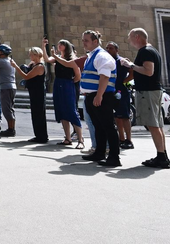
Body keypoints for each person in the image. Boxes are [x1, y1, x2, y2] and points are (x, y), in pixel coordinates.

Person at [120, 27, 169, 168]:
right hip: (153, 91)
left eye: (130, 38)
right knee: (156, 124)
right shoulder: (151, 50)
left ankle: (161, 157)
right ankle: (162, 155)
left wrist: (131, 65)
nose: (129, 41)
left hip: (148, 92)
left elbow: (148, 71)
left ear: (137, 37)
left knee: (153, 124)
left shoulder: (145, 51)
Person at [78, 30, 120, 168]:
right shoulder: (92, 56)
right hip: (93, 96)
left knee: (108, 126)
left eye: (86, 40)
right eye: (83, 40)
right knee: (98, 127)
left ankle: (114, 157)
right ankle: (100, 152)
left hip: (101, 97)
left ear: (95, 41)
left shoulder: (102, 56)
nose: (83, 43)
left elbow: (105, 77)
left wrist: (99, 95)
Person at [47, 39, 84, 149]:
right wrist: (44, 46)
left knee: (71, 111)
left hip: (67, 84)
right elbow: (47, 59)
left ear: (66, 47)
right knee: (61, 111)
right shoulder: (58, 58)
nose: (59, 45)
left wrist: (70, 83)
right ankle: (67, 138)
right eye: (59, 44)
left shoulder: (72, 59)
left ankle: (80, 140)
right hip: (58, 84)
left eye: (61, 44)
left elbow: (78, 75)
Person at [12, 47, 48, 143]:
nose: (29, 56)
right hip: (33, 91)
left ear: (36, 55)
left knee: (39, 114)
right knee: (35, 114)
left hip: (38, 92)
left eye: (31, 54)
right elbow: (27, 71)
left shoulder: (40, 66)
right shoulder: (33, 64)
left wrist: (16, 67)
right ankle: (38, 135)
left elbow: (26, 76)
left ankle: (42, 136)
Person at [103, 41, 133, 150]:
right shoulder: (106, 61)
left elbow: (132, 71)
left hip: (122, 92)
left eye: (111, 48)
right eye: (107, 48)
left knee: (124, 116)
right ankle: (121, 139)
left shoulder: (122, 61)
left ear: (116, 50)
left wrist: (124, 81)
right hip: (111, 90)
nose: (108, 50)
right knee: (117, 117)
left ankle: (129, 140)